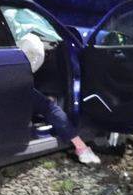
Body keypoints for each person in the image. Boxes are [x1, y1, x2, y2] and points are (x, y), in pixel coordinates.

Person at [17, 30, 100, 165]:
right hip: (16, 90)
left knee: (43, 102)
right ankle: (80, 147)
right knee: (49, 107)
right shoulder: (29, 47)